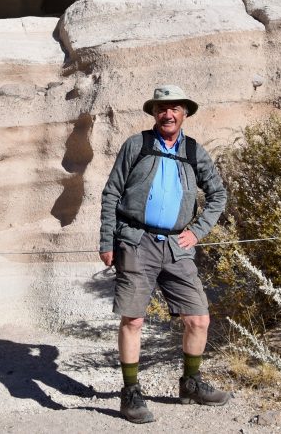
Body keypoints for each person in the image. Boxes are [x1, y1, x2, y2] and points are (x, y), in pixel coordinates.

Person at [99, 84, 231, 424]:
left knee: (198, 318)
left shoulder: (193, 150)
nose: (167, 114)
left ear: (185, 113)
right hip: (136, 241)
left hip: (177, 246)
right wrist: (107, 241)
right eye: (162, 108)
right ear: (155, 112)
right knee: (133, 319)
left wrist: (197, 231)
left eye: (174, 108)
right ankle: (130, 393)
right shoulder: (137, 145)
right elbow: (112, 193)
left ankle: (190, 383)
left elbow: (217, 194)